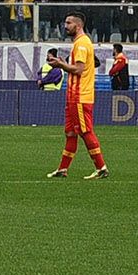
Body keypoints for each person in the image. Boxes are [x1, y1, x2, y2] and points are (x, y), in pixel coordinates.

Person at [46, 14, 110, 180]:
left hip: (80, 95)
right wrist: (62, 63)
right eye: (65, 22)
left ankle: (101, 167)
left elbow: (78, 70)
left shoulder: (81, 43)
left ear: (78, 25)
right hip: (73, 95)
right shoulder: (79, 43)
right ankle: (63, 169)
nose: (65, 25)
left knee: (85, 130)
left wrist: (61, 65)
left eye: (69, 23)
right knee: (70, 132)